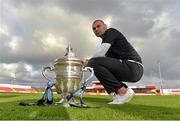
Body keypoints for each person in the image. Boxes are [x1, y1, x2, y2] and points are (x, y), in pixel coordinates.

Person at [84, 20, 144, 104]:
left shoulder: (111, 32)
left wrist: (88, 62)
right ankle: (121, 92)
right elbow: (101, 63)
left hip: (134, 66)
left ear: (105, 26)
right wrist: (90, 64)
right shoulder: (106, 44)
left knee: (93, 62)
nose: (96, 29)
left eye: (98, 26)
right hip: (127, 68)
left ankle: (123, 93)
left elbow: (99, 55)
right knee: (96, 67)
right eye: (94, 28)